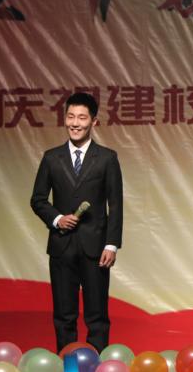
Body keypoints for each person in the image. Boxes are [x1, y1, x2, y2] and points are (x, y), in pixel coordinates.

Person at [30, 92, 123, 353]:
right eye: (70, 117)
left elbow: (115, 204)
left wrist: (112, 244)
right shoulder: (52, 158)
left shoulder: (107, 158)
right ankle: (68, 368)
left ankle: (97, 368)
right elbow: (38, 199)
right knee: (64, 315)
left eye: (82, 117)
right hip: (62, 246)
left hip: (96, 247)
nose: (75, 123)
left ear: (94, 122)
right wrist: (57, 219)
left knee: (97, 315)